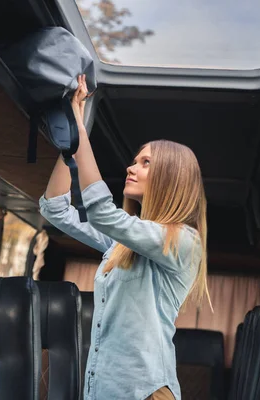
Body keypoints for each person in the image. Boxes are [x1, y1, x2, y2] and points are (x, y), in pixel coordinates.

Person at [39, 75, 210, 400]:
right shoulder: (124, 245)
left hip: (146, 393)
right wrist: (68, 150)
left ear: (172, 177)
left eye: (145, 163)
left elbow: (103, 213)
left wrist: (80, 130)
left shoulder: (185, 242)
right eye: (134, 161)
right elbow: (56, 211)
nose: (131, 168)